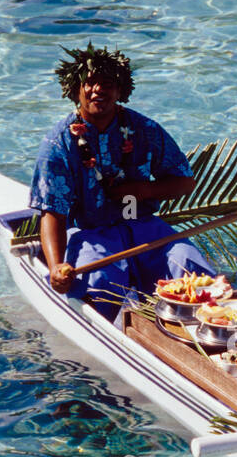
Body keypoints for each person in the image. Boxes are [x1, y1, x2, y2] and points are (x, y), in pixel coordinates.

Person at [28, 43, 215, 320]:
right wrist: (56, 267)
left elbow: (184, 183)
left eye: (107, 83)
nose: (97, 90)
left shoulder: (145, 129)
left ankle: (207, 328)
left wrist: (143, 189)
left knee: (192, 268)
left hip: (147, 229)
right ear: (75, 90)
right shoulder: (59, 142)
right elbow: (53, 213)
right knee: (100, 285)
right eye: (89, 83)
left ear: (120, 90)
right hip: (93, 235)